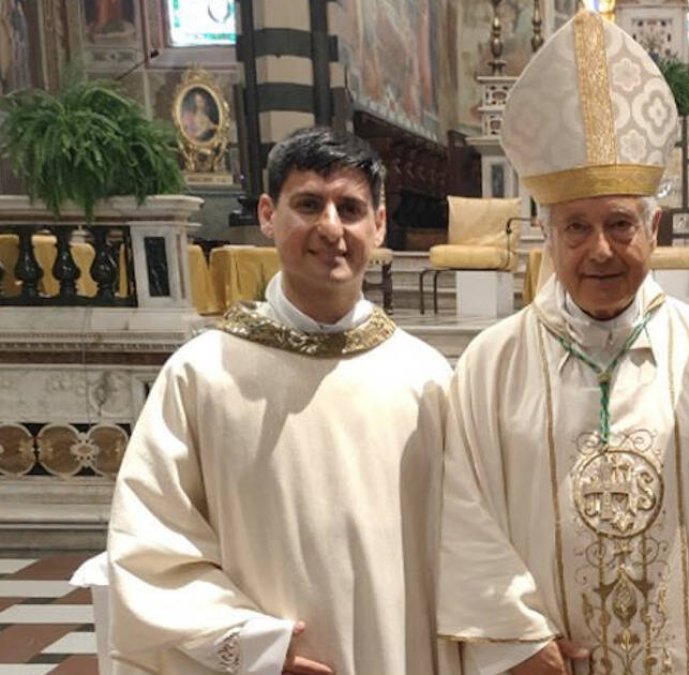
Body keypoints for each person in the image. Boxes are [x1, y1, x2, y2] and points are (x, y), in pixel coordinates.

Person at [436, 12, 689, 675]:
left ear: (654, 227)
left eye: (620, 223)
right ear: (546, 232)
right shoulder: (491, 364)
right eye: (576, 227)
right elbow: (463, 511)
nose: (600, 249)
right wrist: (515, 640)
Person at [107, 127, 458, 675]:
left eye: (350, 208)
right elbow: (152, 546)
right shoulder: (202, 375)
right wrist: (257, 646)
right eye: (309, 205)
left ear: (380, 224)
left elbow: (467, 546)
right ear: (269, 214)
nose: (331, 228)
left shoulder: (427, 379)